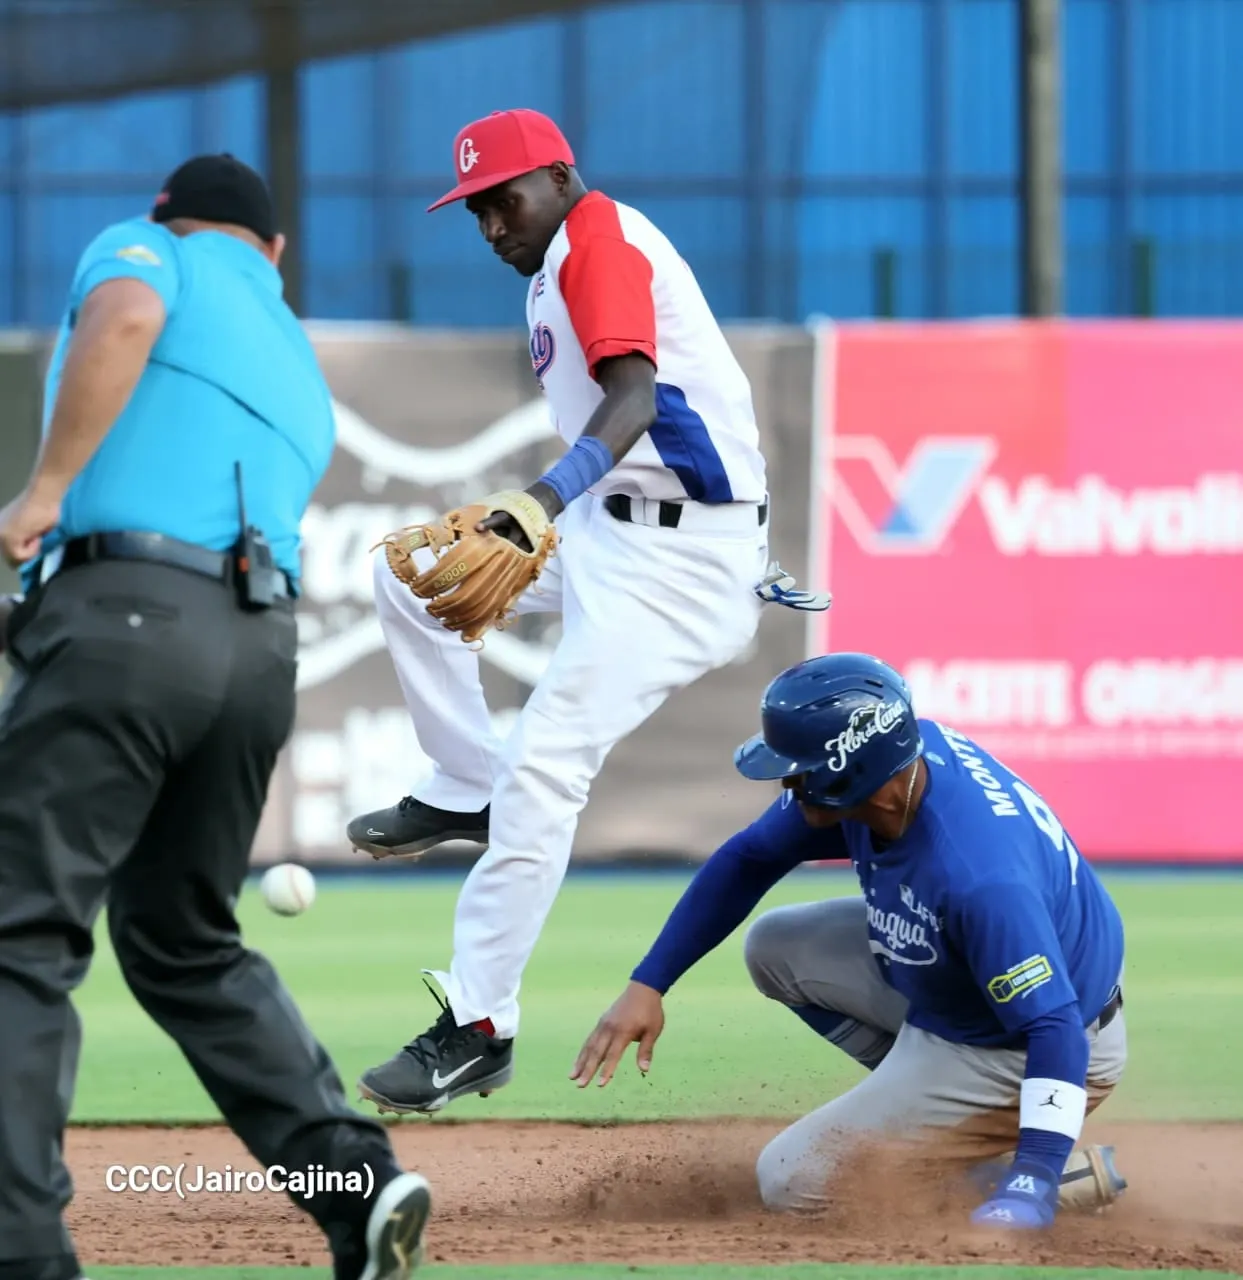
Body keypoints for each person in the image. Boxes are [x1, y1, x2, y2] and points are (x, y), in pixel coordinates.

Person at [0, 154, 431, 1280]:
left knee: (16, 932)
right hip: (255, 656)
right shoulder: (294, 354)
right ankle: (358, 1182)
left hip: (128, 620)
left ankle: (21, 1247)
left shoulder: (152, 251)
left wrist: (41, 496)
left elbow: (125, 315)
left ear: (167, 215)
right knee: (182, 937)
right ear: (275, 254)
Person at [349, 108, 827, 1117]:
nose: (488, 222)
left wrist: (538, 502)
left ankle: (477, 1027)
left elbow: (635, 397)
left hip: (680, 560)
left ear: (559, 177)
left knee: (547, 764)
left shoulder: (594, 243)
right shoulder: (555, 256)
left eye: (503, 198)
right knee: (410, 576)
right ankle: (460, 779)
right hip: (619, 532)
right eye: (474, 207)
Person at [573, 652, 1129, 1231]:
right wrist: (649, 983)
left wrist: (1034, 1178)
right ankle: (926, 1117)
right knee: (775, 946)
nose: (788, 781)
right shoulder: (895, 772)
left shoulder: (980, 878)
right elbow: (749, 858)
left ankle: (1017, 1175)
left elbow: (1054, 1029)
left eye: (800, 767)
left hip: (1025, 1045)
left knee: (793, 1180)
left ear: (852, 768)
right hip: (955, 984)